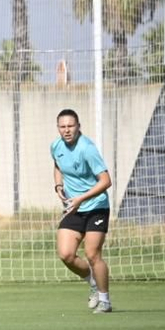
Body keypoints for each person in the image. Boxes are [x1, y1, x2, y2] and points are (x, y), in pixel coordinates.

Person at [51, 108, 112, 313]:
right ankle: (93, 283)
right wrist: (58, 186)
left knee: (92, 254)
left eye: (70, 126)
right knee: (66, 254)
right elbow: (58, 165)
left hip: (96, 206)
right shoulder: (56, 146)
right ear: (58, 128)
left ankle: (104, 300)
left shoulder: (87, 148)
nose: (67, 130)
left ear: (78, 127)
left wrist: (82, 198)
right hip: (74, 207)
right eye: (62, 126)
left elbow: (106, 181)